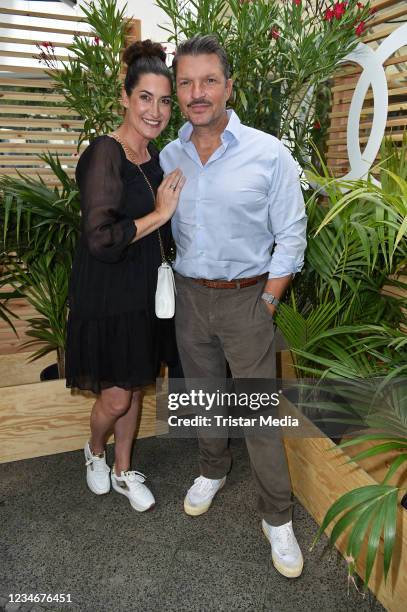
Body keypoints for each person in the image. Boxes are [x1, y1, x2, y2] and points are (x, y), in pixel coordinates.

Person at [160, 35, 307, 577]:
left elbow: (291, 236)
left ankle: (278, 517)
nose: (198, 93)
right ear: (177, 90)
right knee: (201, 394)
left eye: (209, 81)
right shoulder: (168, 153)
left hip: (249, 300)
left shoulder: (268, 153)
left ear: (229, 86)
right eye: (187, 82)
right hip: (190, 297)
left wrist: (268, 302)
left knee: (258, 414)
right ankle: (212, 469)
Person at [65, 40, 185, 512]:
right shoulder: (104, 154)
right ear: (126, 97)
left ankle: (122, 468)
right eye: (145, 98)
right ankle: (94, 449)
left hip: (144, 295)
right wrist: (160, 214)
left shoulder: (153, 159)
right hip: (108, 297)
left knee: (135, 385)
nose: (155, 111)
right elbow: (101, 237)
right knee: (116, 399)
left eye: (163, 100)